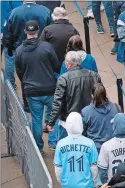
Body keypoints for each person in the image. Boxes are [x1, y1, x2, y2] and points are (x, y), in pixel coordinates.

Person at [15, 20, 58, 153]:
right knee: (53, 116)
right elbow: (56, 65)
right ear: (38, 31)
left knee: (37, 120)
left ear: (26, 32)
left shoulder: (19, 50)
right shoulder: (47, 47)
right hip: (49, 88)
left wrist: (27, 81)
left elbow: (19, 72)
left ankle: (39, 148)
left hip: (32, 91)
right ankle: (53, 142)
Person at [2, 0, 51, 111]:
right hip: (41, 49)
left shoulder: (14, 12)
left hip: (21, 50)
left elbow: (8, 33)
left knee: (25, 78)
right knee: (42, 74)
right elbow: (50, 31)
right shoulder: (45, 11)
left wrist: (9, 48)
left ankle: (27, 104)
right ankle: (42, 101)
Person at [47, 51, 102, 142]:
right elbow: (100, 96)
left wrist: (51, 122)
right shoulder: (94, 75)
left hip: (68, 122)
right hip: (89, 120)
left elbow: (58, 103)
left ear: (68, 64)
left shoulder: (63, 79)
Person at [54, 112, 99, 188]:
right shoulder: (90, 143)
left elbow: (58, 168)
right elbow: (94, 167)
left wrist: (62, 182)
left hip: (67, 185)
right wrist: (95, 183)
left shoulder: (60, 144)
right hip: (86, 185)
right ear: (80, 124)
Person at [81, 83, 121, 153]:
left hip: (96, 151)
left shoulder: (85, 112)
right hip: (114, 150)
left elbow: (83, 132)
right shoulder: (117, 108)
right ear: (105, 94)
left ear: (92, 96)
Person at [40, 7, 79, 74]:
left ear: (53, 17)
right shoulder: (73, 30)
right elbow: (78, 47)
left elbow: (41, 47)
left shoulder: (47, 30)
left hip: (53, 66)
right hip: (70, 65)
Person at [1, 0, 22, 77]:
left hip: (5, 30)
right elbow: (18, 12)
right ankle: (9, 84)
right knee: (9, 59)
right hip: (7, 31)